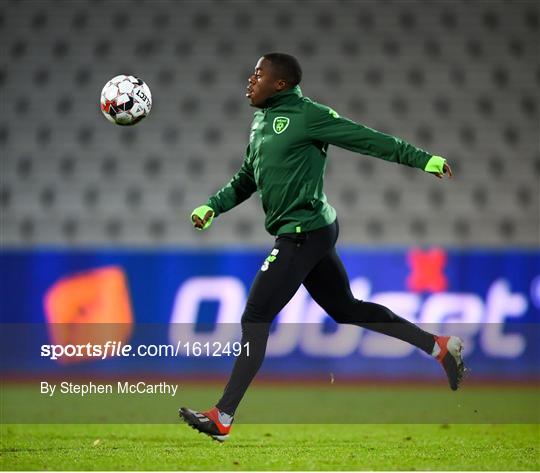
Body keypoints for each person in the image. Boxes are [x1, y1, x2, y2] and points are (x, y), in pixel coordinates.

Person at [179, 53, 465, 442]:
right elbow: (248, 176)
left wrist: (423, 159)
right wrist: (213, 205)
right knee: (347, 310)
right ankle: (438, 347)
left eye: (258, 74)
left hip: (303, 233)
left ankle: (222, 416)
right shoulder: (261, 119)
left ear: (280, 84)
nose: (250, 80)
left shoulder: (308, 115)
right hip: (310, 230)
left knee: (255, 316)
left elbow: (367, 139)